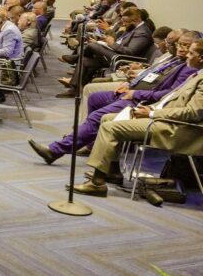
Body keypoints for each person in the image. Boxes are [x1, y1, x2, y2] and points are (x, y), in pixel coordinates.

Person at [29, 31, 199, 164]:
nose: (181, 49)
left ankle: (55, 150)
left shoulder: (189, 68)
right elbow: (154, 77)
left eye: (187, 47)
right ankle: (90, 142)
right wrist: (131, 84)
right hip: (135, 91)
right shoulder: (176, 60)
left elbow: (168, 95)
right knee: (94, 98)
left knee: (98, 116)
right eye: (180, 44)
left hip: (144, 102)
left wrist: (135, 93)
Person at [71, 40, 203, 197]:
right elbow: (171, 100)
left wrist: (152, 113)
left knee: (110, 127)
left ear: (201, 58)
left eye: (191, 53)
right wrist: (151, 109)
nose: (187, 55)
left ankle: (97, 183)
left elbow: (192, 113)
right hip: (162, 116)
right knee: (107, 118)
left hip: (176, 127)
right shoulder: (196, 73)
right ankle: (113, 171)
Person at [61, 7, 153, 93]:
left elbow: (130, 52)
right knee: (84, 60)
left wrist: (112, 44)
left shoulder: (142, 32)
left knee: (93, 45)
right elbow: (122, 42)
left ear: (136, 20)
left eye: (126, 22)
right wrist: (110, 42)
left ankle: (76, 58)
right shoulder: (135, 28)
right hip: (116, 53)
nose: (124, 24)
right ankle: (74, 88)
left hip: (122, 60)